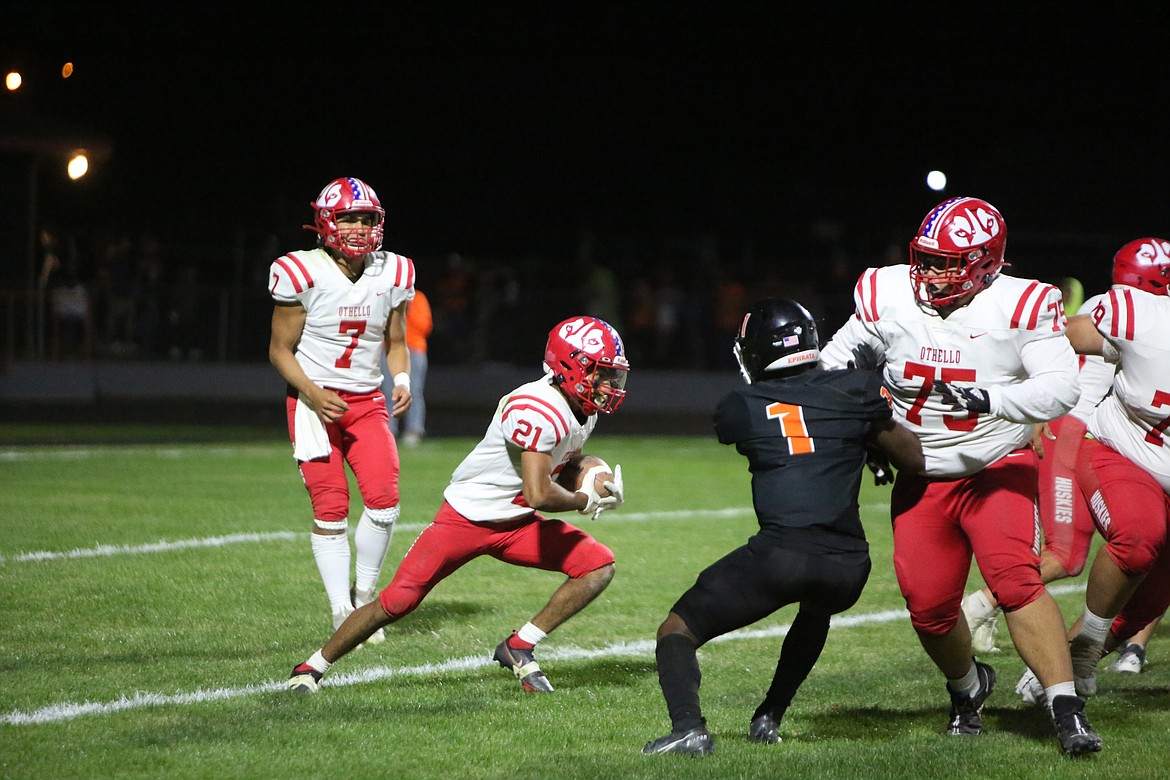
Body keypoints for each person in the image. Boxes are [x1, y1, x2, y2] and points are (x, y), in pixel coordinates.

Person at [818, 196, 1101, 756]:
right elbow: (836, 362)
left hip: (996, 463)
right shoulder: (888, 291)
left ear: (988, 262)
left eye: (952, 262)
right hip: (923, 470)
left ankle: (1066, 708)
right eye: (928, 258)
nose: (934, 273)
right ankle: (967, 688)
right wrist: (865, 428)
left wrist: (984, 397)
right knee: (927, 605)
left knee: (1015, 580)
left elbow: (1060, 388)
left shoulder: (1024, 303)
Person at [287, 315, 630, 693]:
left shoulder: (582, 409)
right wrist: (584, 499)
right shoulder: (536, 407)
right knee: (397, 602)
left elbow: (562, 468)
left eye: (614, 376)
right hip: (467, 520)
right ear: (571, 366)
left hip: (516, 524)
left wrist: (593, 475)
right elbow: (539, 492)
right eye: (602, 374)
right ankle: (311, 667)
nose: (609, 386)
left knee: (598, 565)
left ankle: (519, 646)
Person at [642, 299, 924, 756]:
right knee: (816, 609)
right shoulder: (856, 390)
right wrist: (871, 413)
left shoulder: (741, 405)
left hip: (783, 556)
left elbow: (760, 428)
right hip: (849, 566)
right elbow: (912, 459)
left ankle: (688, 728)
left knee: (676, 630)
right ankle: (769, 715)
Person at [1017, 237, 1170, 701]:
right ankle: (1073, 653)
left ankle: (1068, 656)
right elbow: (1066, 334)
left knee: (1148, 599)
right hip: (1124, 452)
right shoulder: (1141, 312)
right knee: (1136, 539)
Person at [268, 176, 414, 643]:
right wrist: (311, 392)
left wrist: (403, 379)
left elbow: (396, 342)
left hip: (366, 400)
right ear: (326, 222)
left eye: (366, 217)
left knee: (385, 503)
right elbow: (278, 350)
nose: (358, 227)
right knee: (331, 509)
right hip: (314, 404)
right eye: (349, 217)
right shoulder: (301, 271)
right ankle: (340, 609)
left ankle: (365, 597)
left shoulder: (395, 271)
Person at [962, 276, 1114, 654]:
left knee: (1075, 555)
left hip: (1083, 434)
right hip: (1067, 431)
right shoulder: (1123, 313)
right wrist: (1035, 412)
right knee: (1065, 555)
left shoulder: (1117, 308)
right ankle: (974, 608)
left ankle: (984, 609)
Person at [385, 288, 432, 446]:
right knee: (387, 390)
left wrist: (408, 309)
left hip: (415, 350)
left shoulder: (418, 297)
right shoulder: (386, 295)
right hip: (388, 348)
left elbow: (425, 326)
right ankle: (388, 429)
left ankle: (414, 430)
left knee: (414, 391)